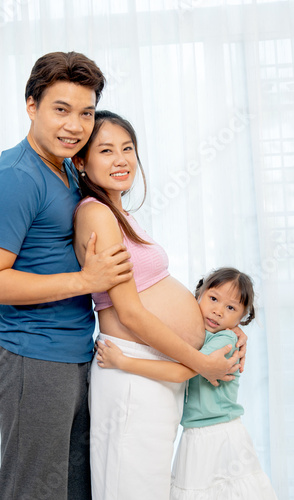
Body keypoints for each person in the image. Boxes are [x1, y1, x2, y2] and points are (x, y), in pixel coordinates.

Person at [0, 52, 135, 500]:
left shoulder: (62, 165)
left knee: (73, 490)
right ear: (31, 106)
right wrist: (84, 280)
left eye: (86, 113)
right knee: (33, 492)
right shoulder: (16, 179)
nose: (75, 126)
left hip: (72, 355)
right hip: (33, 360)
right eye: (61, 110)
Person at [72, 110, 248, 500]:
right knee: (129, 489)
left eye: (128, 148)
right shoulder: (97, 213)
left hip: (156, 371)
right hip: (134, 370)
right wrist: (200, 362)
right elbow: (131, 312)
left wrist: (223, 331)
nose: (121, 159)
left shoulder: (122, 215)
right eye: (106, 150)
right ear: (81, 161)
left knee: (148, 488)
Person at [97, 267, 278, 500]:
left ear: (242, 318)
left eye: (230, 308)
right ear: (199, 295)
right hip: (196, 432)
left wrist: (123, 362)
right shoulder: (204, 335)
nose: (218, 311)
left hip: (218, 433)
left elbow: (179, 373)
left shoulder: (223, 341)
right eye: (213, 299)